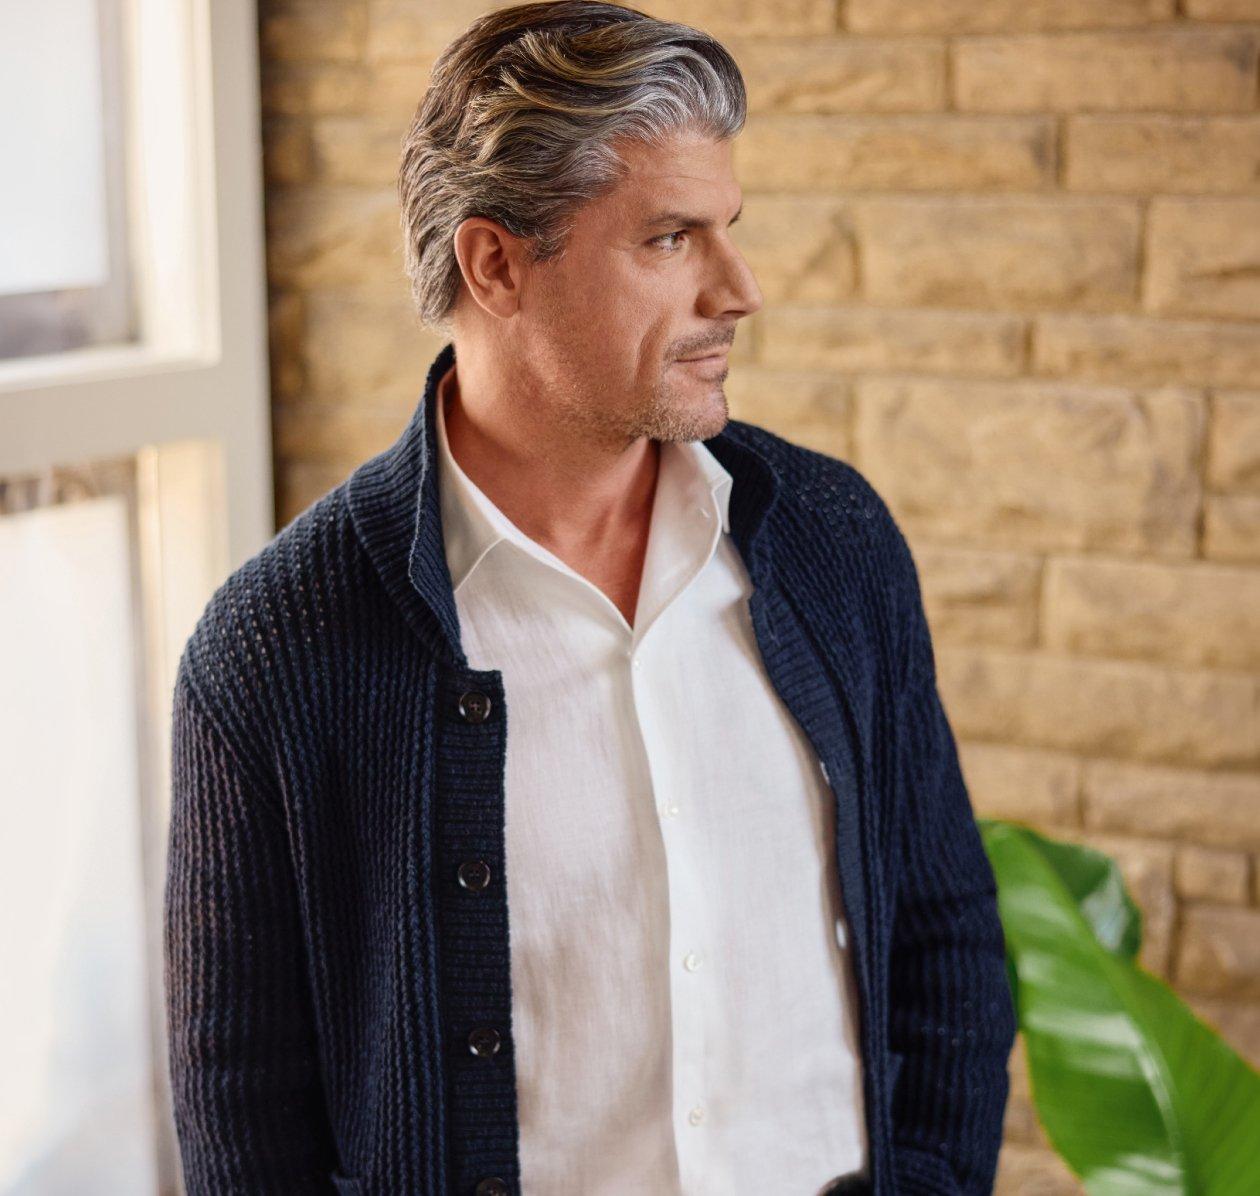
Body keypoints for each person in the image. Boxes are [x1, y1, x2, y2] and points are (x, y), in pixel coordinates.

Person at [163, 3, 1017, 1194]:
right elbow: (242, 1106)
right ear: (496, 262)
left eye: (727, 229)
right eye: (670, 238)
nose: (740, 288)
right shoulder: (277, 650)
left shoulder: (833, 543)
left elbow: (946, 942)